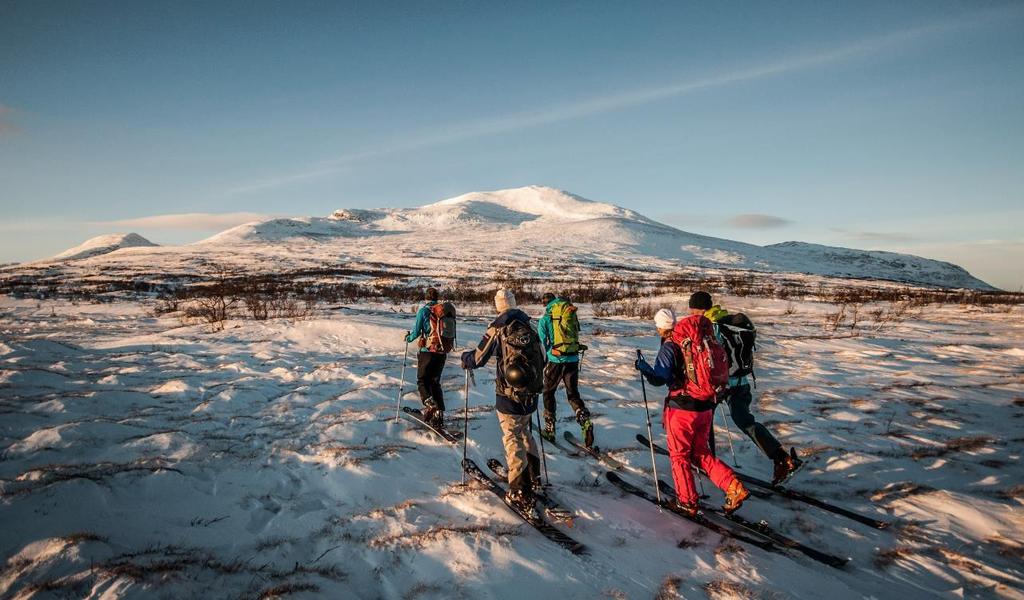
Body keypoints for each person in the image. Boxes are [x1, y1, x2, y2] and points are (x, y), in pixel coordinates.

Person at [635, 307, 750, 516]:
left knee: (679, 455)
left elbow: (659, 379)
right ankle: (733, 487)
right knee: (701, 453)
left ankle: (687, 501)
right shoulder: (694, 342)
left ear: (660, 327)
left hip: (681, 410)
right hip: (705, 406)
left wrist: (642, 367)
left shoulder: (670, 347)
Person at [688, 291, 802, 485]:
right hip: (741, 382)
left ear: (697, 308)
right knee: (745, 421)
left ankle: (708, 464)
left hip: (718, 385)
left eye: (691, 309)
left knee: (703, 420)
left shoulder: (709, 327)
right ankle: (782, 458)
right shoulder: (730, 322)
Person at [461, 289, 545, 513]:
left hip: (508, 394)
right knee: (525, 431)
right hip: (532, 391)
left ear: (498, 306)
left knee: (511, 436)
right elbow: (543, 357)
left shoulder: (498, 327)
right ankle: (534, 476)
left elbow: (479, 358)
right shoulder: (530, 325)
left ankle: (519, 490)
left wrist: (465, 359)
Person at [537, 292, 593, 446]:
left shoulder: (545, 319)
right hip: (573, 359)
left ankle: (550, 430)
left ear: (545, 304)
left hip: (556, 361)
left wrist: (549, 353)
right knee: (573, 394)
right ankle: (584, 418)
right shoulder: (568, 314)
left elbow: (543, 342)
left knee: (548, 393)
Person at [404, 287, 451, 430]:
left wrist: (408, 338)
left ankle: (429, 403)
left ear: (426, 298)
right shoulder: (444, 312)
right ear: (437, 298)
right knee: (435, 382)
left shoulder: (423, 311)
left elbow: (417, 331)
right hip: (442, 352)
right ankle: (439, 414)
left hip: (427, 352)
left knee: (422, 380)